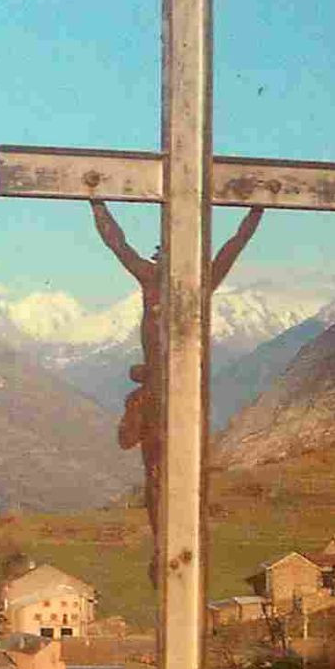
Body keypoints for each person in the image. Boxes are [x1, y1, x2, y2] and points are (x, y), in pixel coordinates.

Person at [90, 200, 265, 587]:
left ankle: (189, 552)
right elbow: (116, 243)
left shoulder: (199, 281)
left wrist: (255, 212)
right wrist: (96, 203)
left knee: (188, 477)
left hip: (186, 394)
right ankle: (162, 547)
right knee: (156, 477)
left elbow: (233, 247)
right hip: (156, 394)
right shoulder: (150, 278)